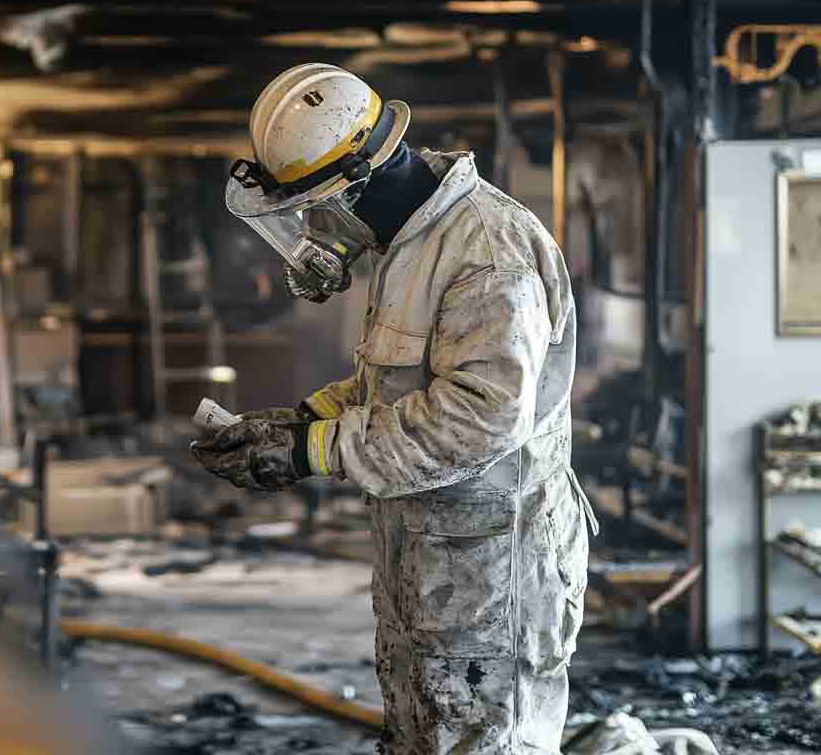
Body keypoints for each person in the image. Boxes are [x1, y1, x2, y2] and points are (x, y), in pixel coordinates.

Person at [194, 63, 598, 754]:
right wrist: (303, 422)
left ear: (356, 186)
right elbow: (399, 386)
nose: (310, 228)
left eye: (312, 208)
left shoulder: (486, 254)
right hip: (439, 566)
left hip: (494, 574)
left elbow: (480, 417)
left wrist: (313, 452)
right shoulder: (414, 243)